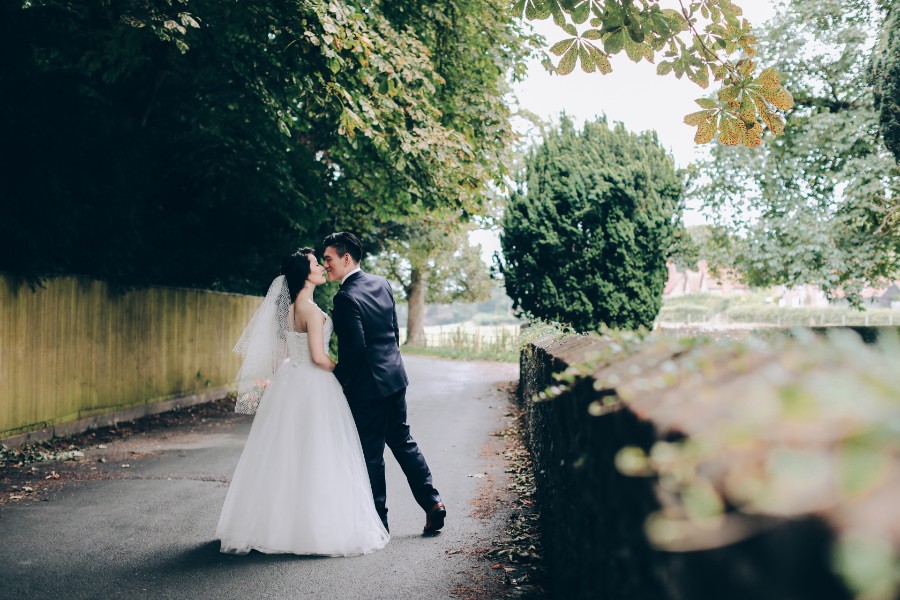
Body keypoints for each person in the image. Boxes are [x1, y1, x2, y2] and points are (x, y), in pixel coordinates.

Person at [215, 247, 389, 556]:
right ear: (304, 274)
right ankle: (312, 527)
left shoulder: (290, 308)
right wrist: (343, 372)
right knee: (317, 452)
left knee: (285, 454)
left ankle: (272, 524)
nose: (322, 267)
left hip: (290, 382)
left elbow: (286, 352)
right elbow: (319, 358)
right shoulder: (309, 308)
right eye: (315, 264)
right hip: (313, 383)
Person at [322, 232, 445, 534]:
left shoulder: (345, 296)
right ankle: (433, 504)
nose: (326, 265)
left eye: (329, 259)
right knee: (403, 442)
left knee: (371, 455)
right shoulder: (382, 283)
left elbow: (355, 350)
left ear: (345, 258)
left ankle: (379, 523)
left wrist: (339, 382)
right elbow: (394, 333)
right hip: (394, 378)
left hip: (368, 389)